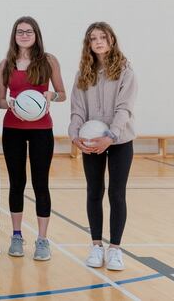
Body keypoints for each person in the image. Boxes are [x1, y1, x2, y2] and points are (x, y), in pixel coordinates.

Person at [69, 22, 137, 271]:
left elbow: (124, 108)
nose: (98, 42)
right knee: (94, 191)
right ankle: (96, 246)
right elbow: (78, 110)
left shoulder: (126, 71)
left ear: (111, 40)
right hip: (92, 141)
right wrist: (75, 134)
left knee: (116, 194)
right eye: (93, 38)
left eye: (102, 37)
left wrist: (111, 135)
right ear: (88, 44)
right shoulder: (83, 73)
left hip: (120, 140)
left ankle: (115, 249)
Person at [0, 16, 66, 261]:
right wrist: (11, 103)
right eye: (20, 31)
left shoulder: (49, 61)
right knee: (16, 183)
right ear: (14, 35)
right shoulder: (5, 64)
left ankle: (42, 240)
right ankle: (16, 236)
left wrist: (50, 96)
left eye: (29, 31)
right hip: (13, 128)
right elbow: (0, 101)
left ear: (36, 35)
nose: (24, 35)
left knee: (40, 184)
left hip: (41, 129)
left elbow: (62, 94)